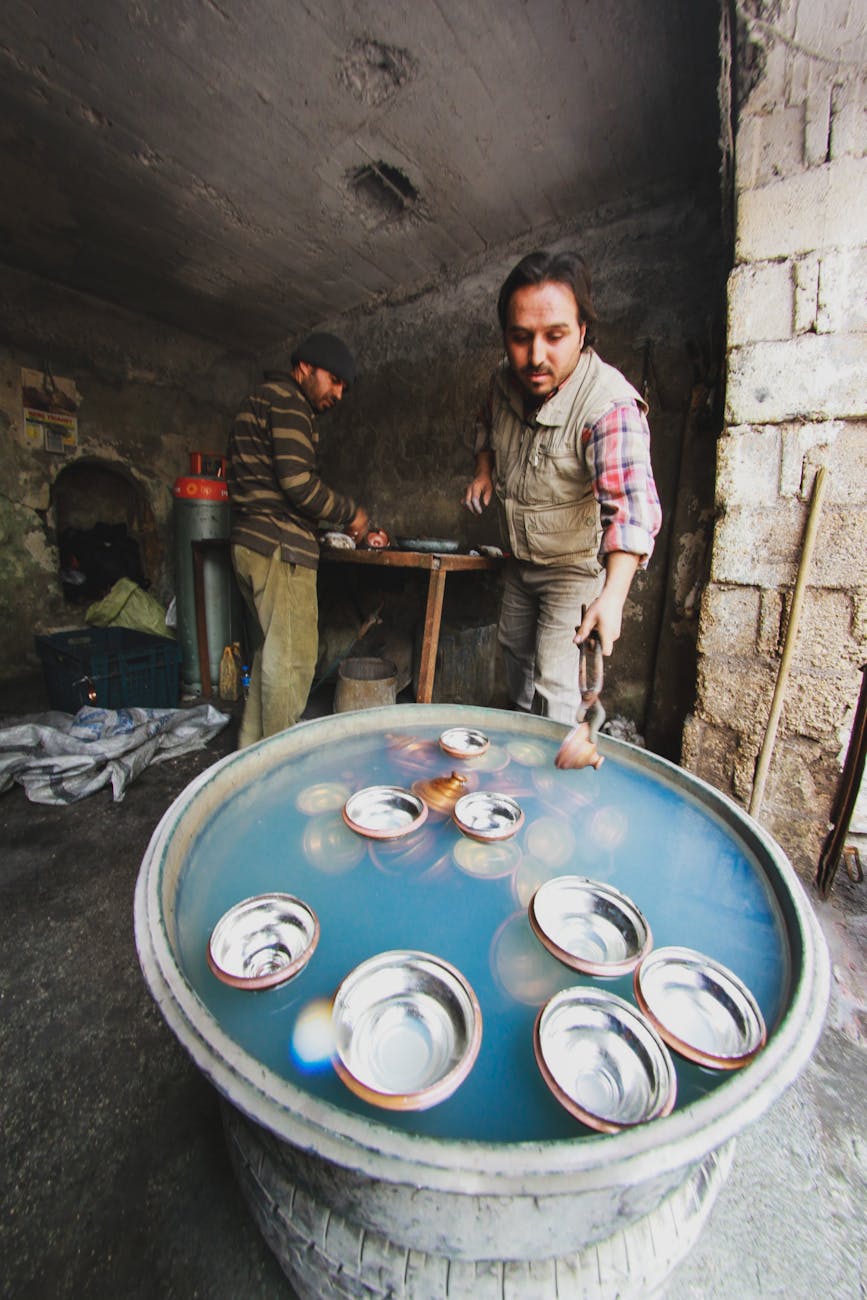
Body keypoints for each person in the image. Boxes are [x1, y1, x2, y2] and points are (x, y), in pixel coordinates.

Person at [463, 249, 661, 757]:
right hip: (519, 563)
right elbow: (486, 422)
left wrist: (612, 596)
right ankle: (518, 766)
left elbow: (631, 508)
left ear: (582, 329)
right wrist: (484, 469)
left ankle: (550, 805)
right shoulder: (501, 382)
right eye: (520, 337)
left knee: (555, 691)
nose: (535, 357)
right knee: (514, 667)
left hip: (572, 569)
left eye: (555, 336)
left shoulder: (608, 404)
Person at [227, 332, 369, 747]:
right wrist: (351, 513)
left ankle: (250, 760)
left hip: (250, 544)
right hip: (279, 549)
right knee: (291, 663)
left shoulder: (258, 401)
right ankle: (279, 767)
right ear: (305, 367)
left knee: (270, 658)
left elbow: (270, 485)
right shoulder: (289, 401)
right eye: (335, 380)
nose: (339, 393)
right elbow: (297, 483)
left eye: (344, 386)